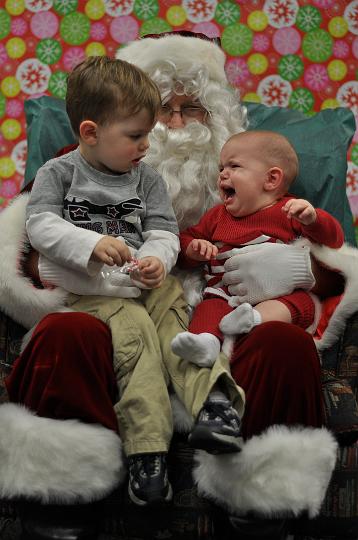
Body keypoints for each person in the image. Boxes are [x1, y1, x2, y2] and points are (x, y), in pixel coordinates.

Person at [0, 32, 339, 539]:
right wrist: (80, 263)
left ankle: (263, 499)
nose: (176, 126)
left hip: (229, 325)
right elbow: (25, 251)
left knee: (284, 343)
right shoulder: (73, 168)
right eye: (161, 111)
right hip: (109, 317)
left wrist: (294, 268)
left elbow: (329, 261)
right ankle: (61, 500)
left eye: (195, 109)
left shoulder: (267, 192)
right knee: (64, 333)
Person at [25, 55, 244, 507]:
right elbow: (40, 226)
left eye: (147, 134)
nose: (147, 144)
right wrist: (87, 244)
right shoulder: (59, 174)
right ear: (90, 132)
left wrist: (155, 259)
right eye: (136, 135)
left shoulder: (146, 179)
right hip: (98, 291)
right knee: (139, 342)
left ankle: (217, 404)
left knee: (182, 335)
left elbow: (163, 231)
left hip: (148, 282)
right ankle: (148, 452)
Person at [172, 130, 344, 367]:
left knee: (299, 303)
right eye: (221, 167)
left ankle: (254, 318)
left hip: (277, 293)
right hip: (225, 293)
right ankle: (206, 342)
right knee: (209, 307)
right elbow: (184, 241)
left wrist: (313, 219)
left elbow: (333, 242)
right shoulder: (216, 216)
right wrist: (193, 248)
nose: (223, 174)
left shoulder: (289, 210)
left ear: (271, 179)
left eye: (234, 166)